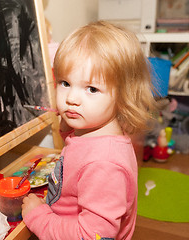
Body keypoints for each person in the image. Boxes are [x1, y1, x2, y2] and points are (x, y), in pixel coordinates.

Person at [21, 20, 158, 240]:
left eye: (92, 89)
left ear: (124, 96)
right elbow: (81, 154)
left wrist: (38, 216)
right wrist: (68, 130)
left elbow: (89, 236)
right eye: (65, 83)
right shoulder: (98, 131)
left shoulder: (104, 165)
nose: (72, 99)